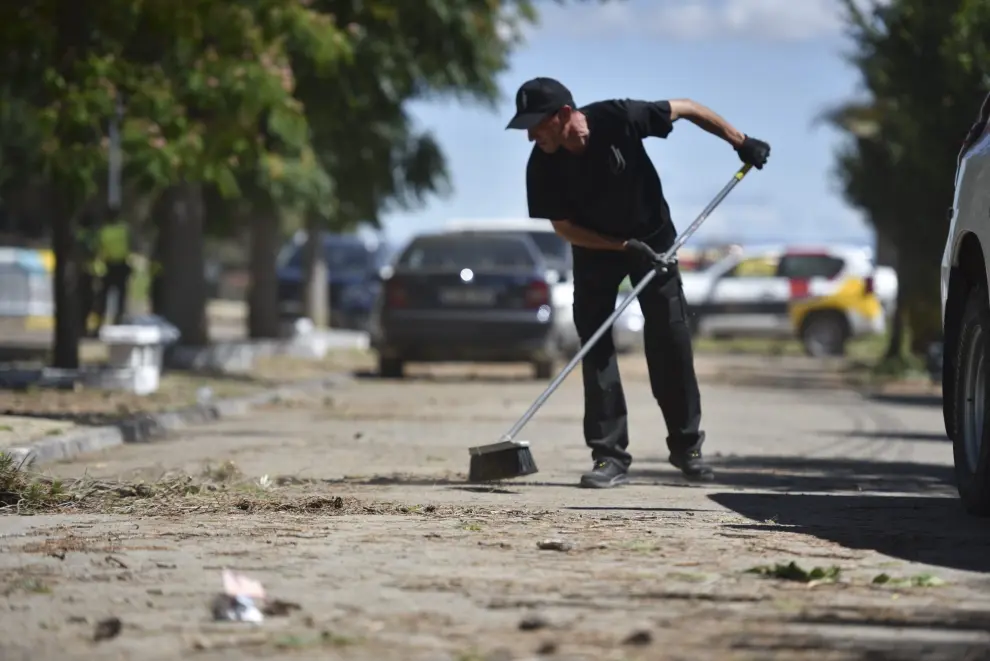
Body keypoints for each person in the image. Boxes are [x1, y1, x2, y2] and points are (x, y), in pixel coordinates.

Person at [506, 77, 770, 488]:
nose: (529, 136)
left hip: (654, 239)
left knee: (670, 340)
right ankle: (608, 456)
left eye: (536, 124)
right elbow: (564, 228)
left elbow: (687, 107)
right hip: (596, 250)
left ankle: (688, 447)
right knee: (595, 346)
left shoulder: (618, 117)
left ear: (562, 115)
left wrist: (740, 141)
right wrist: (619, 246)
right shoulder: (542, 163)